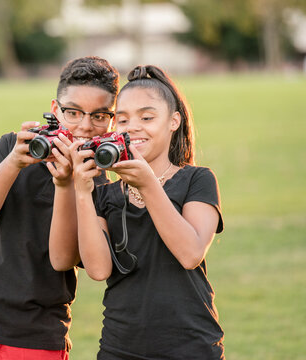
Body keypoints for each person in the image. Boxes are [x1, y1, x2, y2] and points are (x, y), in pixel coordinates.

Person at [0, 56, 120, 360]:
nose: (85, 126)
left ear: (112, 119)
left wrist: (72, 185)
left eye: (99, 116)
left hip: (36, 336)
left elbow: (67, 259)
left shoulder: (101, 187)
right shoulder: (14, 147)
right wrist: (14, 162)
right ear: (54, 109)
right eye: (73, 112)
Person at [51, 65, 225, 359]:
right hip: (120, 347)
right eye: (122, 119)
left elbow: (190, 252)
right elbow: (98, 269)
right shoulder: (106, 193)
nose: (133, 127)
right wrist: (81, 190)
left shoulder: (197, 180)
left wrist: (147, 185)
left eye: (147, 117)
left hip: (191, 346)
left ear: (173, 121)